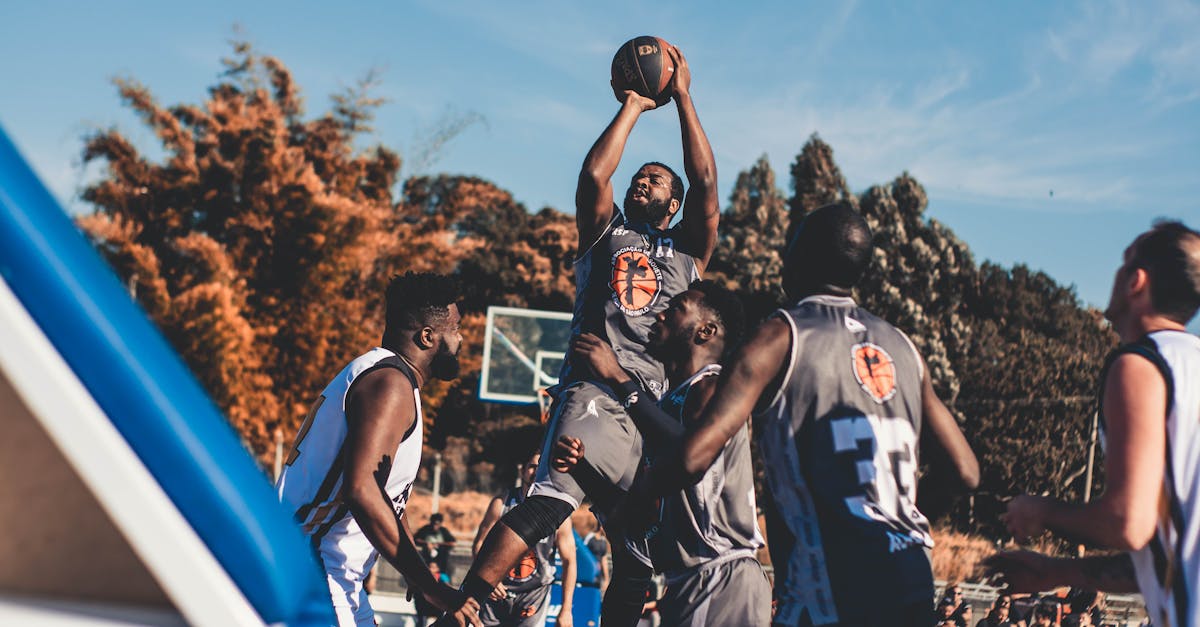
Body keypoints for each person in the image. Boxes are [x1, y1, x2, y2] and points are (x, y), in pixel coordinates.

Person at [443, 43, 720, 626]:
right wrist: (637, 105)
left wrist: (685, 99)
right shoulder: (606, 232)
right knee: (548, 503)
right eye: (639, 178)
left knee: (637, 555)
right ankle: (464, 606)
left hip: (649, 411)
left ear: (674, 204)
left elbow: (706, 180)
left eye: (654, 180)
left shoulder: (689, 251)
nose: (641, 183)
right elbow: (596, 173)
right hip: (594, 389)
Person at [622, 203, 980, 626]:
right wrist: (898, 525)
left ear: (801, 256)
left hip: (836, 577)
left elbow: (692, 457)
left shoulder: (780, 335)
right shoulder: (902, 345)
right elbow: (965, 471)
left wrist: (637, 494)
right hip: (911, 574)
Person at [986, 221, 1200, 627]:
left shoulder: (1141, 365)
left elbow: (1128, 522)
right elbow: (1163, 554)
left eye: (1122, 264)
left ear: (1136, 281)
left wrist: (1040, 509)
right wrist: (1058, 572)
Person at [554, 280, 772, 625]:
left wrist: (617, 377)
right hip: (686, 582)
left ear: (706, 331)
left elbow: (689, 454)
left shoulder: (713, 386)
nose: (660, 314)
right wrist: (583, 470)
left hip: (719, 573)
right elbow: (633, 517)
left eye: (676, 308)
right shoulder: (667, 408)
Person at [275, 272, 478, 627]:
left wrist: (414, 571)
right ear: (428, 337)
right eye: (456, 329)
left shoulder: (386, 377)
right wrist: (431, 586)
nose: (461, 340)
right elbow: (362, 489)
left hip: (335, 577)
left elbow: (384, 498)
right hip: (316, 570)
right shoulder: (391, 384)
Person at [471, 452, 576, 627]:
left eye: (542, 467)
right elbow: (480, 544)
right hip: (498, 589)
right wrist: (486, 579)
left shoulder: (559, 513)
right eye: (533, 466)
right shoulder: (502, 503)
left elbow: (569, 561)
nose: (536, 471)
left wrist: (566, 610)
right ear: (522, 470)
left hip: (534, 593)